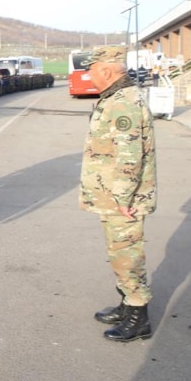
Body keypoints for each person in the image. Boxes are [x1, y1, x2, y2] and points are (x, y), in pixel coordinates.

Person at [79, 46, 156, 343]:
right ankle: (127, 304)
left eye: (92, 72)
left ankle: (138, 318)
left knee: (127, 256)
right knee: (118, 253)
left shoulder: (123, 102)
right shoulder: (116, 97)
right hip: (112, 195)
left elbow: (129, 155)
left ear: (107, 71)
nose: (90, 77)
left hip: (123, 199)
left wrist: (123, 198)